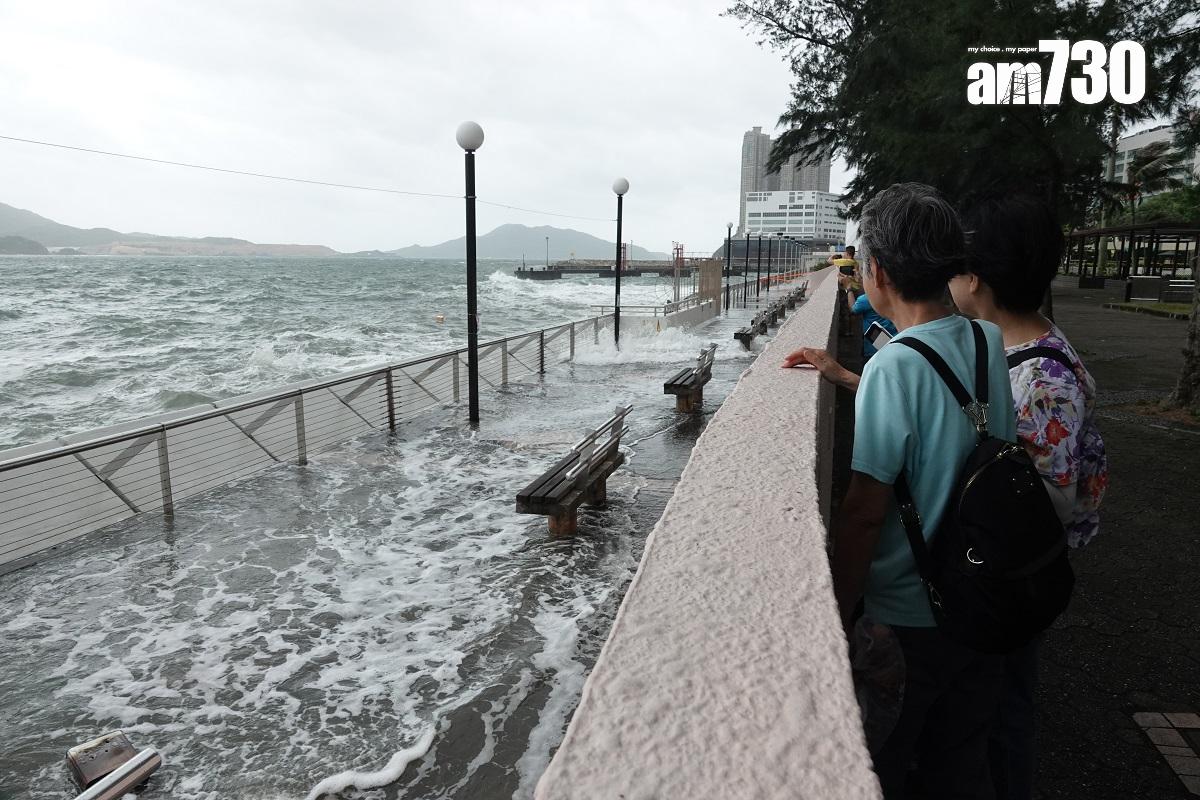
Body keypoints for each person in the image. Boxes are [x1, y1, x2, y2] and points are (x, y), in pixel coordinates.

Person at [801, 183, 1017, 798]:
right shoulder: (986, 339)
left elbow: (864, 514)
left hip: (908, 616)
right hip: (982, 595)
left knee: (886, 761)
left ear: (878, 272)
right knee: (960, 761)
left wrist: (836, 610)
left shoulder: (894, 365)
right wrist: (849, 376)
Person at [951, 192, 1108, 800]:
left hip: (1011, 580)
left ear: (976, 278)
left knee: (1003, 710)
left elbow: (1047, 505)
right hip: (1006, 574)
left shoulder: (1040, 380)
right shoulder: (1008, 347)